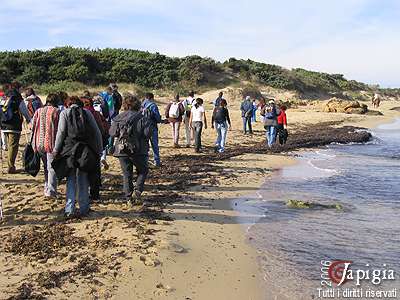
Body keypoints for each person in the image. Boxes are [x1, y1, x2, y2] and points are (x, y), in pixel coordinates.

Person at [53, 96, 103, 218]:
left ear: (68, 104)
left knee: (70, 179)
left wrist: (56, 150)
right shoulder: (86, 113)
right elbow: (96, 131)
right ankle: (84, 208)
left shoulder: (65, 113)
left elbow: (61, 133)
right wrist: (99, 149)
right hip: (85, 150)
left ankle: (69, 209)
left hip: (69, 151)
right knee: (83, 178)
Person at [110, 94, 153, 204]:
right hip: (139, 149)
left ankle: (128, 198)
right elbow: (147, 134)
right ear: (138, 105)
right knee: (143, 170)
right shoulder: (143, 118)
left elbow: (112, 133)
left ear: (124, 105)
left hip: (122, 149)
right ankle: (138, 190)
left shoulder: (118, 118)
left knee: (127, 174)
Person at [81, 93, 110, 202]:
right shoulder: (95, 113)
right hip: (94, 146)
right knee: (94, 170)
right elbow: (102, 130)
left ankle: (83, 192)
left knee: (82, 170)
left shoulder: (78, 114)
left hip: (81, 146)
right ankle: (95, 194)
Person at [31, 93, 60, 198]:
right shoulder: (57, 112)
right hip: (52, 143)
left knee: (45, 167)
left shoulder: (39, 111)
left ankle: (46, 187)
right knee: (51, 167)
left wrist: (32, 142)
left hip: (39, 142)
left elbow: (32, 126)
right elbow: (60, 129)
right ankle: (51, 191)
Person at [0, 82, 30, 173]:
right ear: (18, 88)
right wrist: (29, 120)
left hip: (4, 124)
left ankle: (9, 165)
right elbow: (24, 110)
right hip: (14, 125)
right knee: (13, 146)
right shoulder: (17, 98)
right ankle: (11, 167)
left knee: (8, 145)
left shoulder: (4, 96)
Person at [142, 92, 163, 167]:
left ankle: (145, 161)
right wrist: (161, 120)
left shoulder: (142, 104)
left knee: (145, 145)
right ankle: (157, 162)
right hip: (152, 127)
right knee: (154, 145)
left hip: (143, 127)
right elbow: (157, 118)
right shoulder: (153, 105)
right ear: (152, 98)